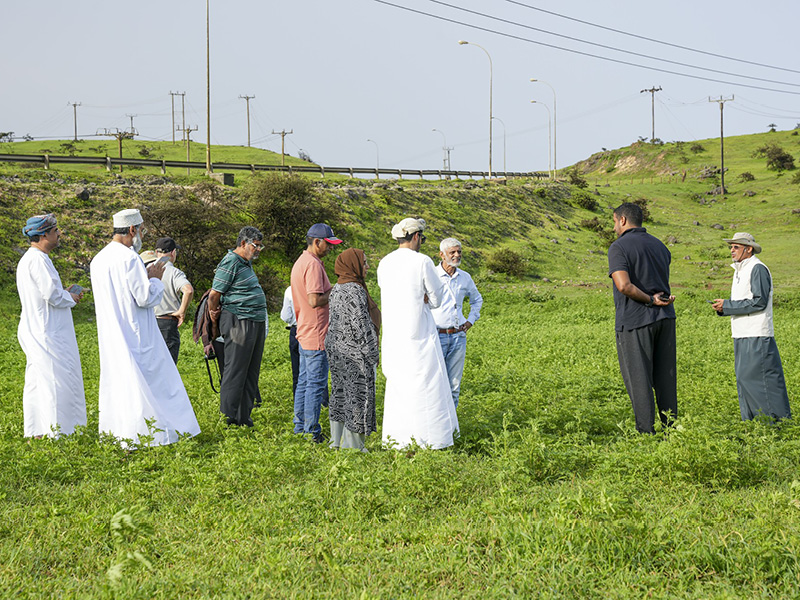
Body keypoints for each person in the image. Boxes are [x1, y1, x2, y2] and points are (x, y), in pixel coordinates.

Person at [90, 209, 200, 447]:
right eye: (141, 230)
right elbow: (144, 298)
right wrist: (155, 279)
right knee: (157, 381)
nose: (141, 235)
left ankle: (120, 434)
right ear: (132, 230)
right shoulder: (130, 258)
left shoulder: (99, 259)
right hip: (137, 332)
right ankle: (159, 434)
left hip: (111, 333)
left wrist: (146, 277)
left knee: (121, 382)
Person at [377, 217, 459, 449]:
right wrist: (424, 298)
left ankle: (398, 439)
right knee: (427, 387)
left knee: (399, 388)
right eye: (422, 238)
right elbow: (437, 298)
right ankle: (432, 439)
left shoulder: (385, 262)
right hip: (419, 332)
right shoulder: (422, 261)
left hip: (394, 334)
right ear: (416, 237)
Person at [16, 214, 87, 438]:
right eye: (55, 231)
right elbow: (52, 295)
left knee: (38, 381)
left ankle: (37, 430)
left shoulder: (31, 259)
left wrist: (63, 293)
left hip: (36, 326)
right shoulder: (38, 260)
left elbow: (46, 293)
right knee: (56, 380)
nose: (59, 234)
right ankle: (58, 431)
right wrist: (70, 297)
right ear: (44, 235)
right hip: (47, 331)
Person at [608, 202, 677, 434]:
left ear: (623, 220)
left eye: (614, 221)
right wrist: (657, 300)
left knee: (639, 379)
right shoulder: (660, 246)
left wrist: (649, 300)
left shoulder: (618, 247)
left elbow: (624, 286)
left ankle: (646, 434)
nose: (614, 227)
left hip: (636, 319)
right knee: (666, 379)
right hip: (665, 318)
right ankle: (670, 431)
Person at [711, 233, 791, 421]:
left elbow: (759, 301)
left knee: (763, 380)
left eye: (736, 247)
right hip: (741, 334)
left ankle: (776, 424)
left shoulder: (757, 268)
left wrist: (728, 306)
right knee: (745, 380)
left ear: (749, 249)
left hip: (756, 334)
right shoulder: (740, 270)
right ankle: (752, 423)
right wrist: (724, 308)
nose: (731, 250)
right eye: (731, 247)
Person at [208, 226, 268, 426]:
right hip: (239, 322)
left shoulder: (245, 262)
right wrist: (214, 316)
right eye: (255, 246)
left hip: (254, 321)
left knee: (251, 371)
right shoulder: (231, 261)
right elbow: (214, 294)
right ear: (243, 243)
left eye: (260, 246)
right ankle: (230, 418)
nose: (258, 250)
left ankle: (244, 417)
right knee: (236, 370)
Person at [290, 223, 342, 442]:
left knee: (304, 381)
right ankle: (311, 431)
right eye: (328, 244)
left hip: (305, 330)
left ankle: (300, 427)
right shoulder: (312, 265)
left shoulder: (302, 261)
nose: (331, 248)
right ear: (317, 242)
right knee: (316, 384)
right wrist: (336, 291)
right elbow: (314, 300)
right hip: (317, 332)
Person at [325, 248, 381, 451]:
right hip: (355, 353)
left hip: (337, 350)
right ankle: (354, 447)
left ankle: (336, 441)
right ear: (353, 265)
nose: (367, 266)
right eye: (364, 262)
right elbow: (361, 326)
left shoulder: (337, 288)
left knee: (340, 394)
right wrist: (373, 353)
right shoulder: (355, 290)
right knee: (358, 396)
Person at [429, 237, 483, 409]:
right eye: (452, 252)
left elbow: (477, 299)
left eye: (459, 252)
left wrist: (470, 321)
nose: (457, 255)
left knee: (454, 385)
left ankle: (452, 423)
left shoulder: (465, 277)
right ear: (442, 255)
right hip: (436, 335)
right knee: (434, 382)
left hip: (458, 336)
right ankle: (436, 420)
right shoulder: (432, 275)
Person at [152, 237, 194, 364]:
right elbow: (188, 290)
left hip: (148, 323)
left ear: (156, 252)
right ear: (173, 252)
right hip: (167, 325)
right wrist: (182, 311)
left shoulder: (147, 269)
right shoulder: (174, 272)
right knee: (168, 366)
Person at [280, 286, 300, 397]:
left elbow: (286, 316)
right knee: (316, 371)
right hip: (313, 330)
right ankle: (323, 401)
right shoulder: (318, 286)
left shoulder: (290, 289)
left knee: (296, 371)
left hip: (295, 330)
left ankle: (298, 400)